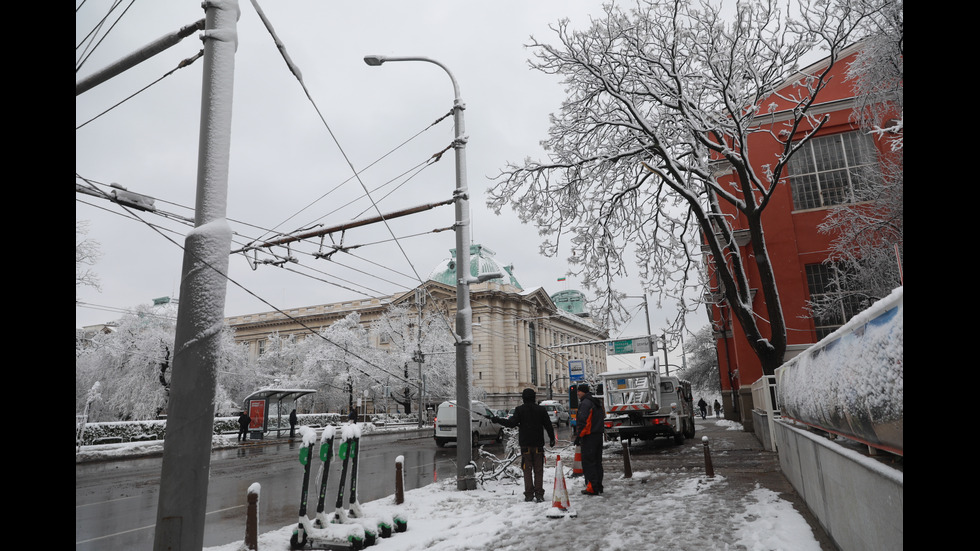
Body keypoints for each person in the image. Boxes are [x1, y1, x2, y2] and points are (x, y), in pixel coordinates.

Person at [491, 388, 556, 502]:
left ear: (523, 398)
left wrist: (497, 420)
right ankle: (539, 494)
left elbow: (511, 423)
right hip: (538, 445)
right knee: (538, 470)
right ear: (534, 397)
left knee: (527, 470)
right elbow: (548, 425)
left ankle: (529, 494)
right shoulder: (541, 410)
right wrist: (551, 439)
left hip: (525, 445)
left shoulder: (520, 410)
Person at [574, 384, 604, 496]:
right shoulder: (595, 402)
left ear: (584, 392)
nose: (577, 393)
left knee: (589, 463)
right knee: (597, 462)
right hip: (598, 436)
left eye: (579, 391)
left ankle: (592, 487)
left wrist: (579, 437)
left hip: (589, 437)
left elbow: (584, 422)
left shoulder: (585, 403)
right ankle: (598, 485)